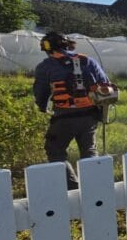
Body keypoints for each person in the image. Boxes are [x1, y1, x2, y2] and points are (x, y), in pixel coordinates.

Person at [33, 31, 111, 189]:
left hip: (63, 117)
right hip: (90, 114)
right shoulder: (87, 60)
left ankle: (73, 188)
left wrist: (42, 107)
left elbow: (40, 92)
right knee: (89, 150)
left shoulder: (46, 66)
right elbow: (105, 83)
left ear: (47, 48)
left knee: (55, 150)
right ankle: (94, 187)